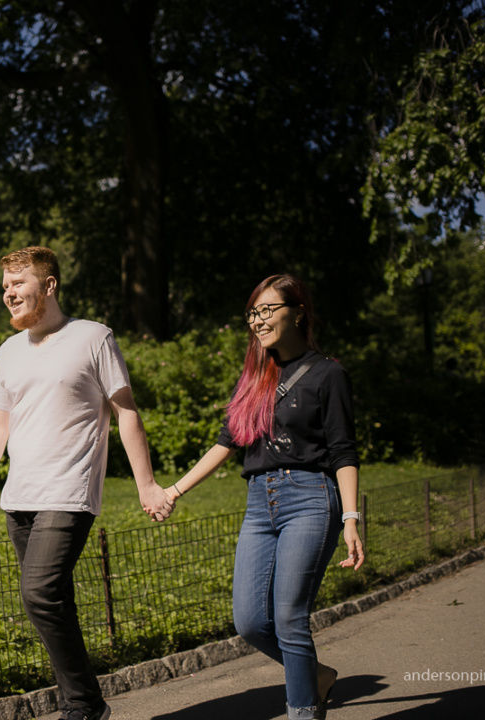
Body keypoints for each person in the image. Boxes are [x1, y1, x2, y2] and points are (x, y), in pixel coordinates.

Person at [0, 246, 173, 720]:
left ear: (49, 285)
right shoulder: (9, 351)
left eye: (18, 283)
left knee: (38, 592)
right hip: (19, 497)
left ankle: (83, 706)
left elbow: (126, 413)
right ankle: (83, 705)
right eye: (4, 287)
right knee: (52, 601)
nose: (8, 294)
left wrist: (146, 485)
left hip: (69, 490)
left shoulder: (92, 338)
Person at [164, 274, 364, 720]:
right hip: (260, 502)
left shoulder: (329, 373)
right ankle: (317, 675)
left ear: (298, 312)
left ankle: (302, 711)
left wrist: (351, 517)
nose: (258, 320)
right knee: (251, 622)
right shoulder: (254, 377)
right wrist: (174, 491)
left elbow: (343, 451)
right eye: (253, 312)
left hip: (310, 498)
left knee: (290, 617)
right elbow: (226, 441)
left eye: (268, 309)